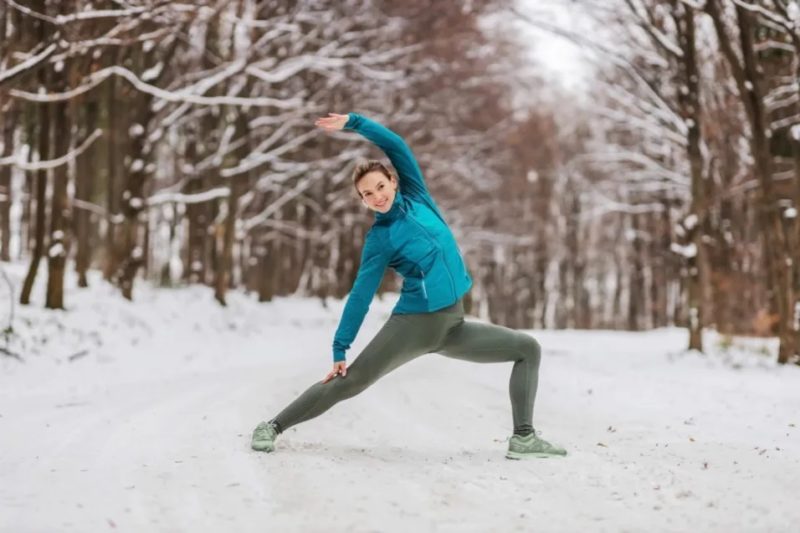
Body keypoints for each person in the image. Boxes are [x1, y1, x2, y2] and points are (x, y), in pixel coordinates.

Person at [251, 112, 566, 460]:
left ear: (393, 181)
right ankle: (272, 426)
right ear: (362, 200)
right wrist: (341, 348)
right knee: (351, 382)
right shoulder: (380, 238)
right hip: (414, 325)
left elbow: (395, 145)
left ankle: (523, 437)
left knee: (527, 348)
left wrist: (355, 123)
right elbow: (361, 294)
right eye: (367, 194)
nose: (376, 196)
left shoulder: (418, 198)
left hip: (452, 325)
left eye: (380, 187)